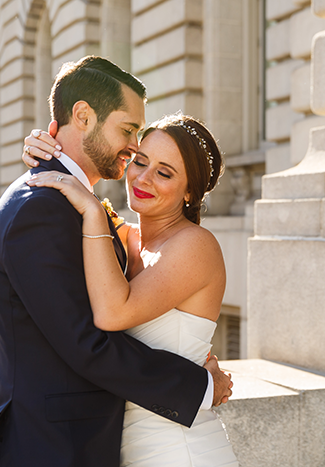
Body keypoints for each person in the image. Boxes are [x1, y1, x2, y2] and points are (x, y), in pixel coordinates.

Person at [0, 56, 232, 467]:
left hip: (166, 448)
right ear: (82, 115)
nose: (135, 154)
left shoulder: (101, 219)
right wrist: (198, 386)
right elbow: (89, 341)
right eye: (130, 135)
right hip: (52, 448)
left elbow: (105, 320)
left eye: (165, 172)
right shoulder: (47, 209)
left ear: (190, 191)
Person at [24, 112, 239, 466]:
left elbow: (112, 313)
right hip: (123, 447)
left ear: (189, 192)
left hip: (179, 450)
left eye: (164, 173)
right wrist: (45, 151)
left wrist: (93, 211)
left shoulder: (195, 245)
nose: (143, 177)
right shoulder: (122, 237)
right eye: (140, 161)